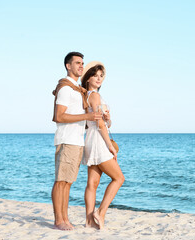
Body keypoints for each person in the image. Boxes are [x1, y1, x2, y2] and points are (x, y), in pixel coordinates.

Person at [51, 52, 102, 231]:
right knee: (61, 181)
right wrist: (87, 115)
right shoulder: (66, 88)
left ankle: (64, 217)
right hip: (67, 140)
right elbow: (59, 116)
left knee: (68, 182)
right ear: (68, 66)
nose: (81, 66)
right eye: (77, 63)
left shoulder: (76, 89)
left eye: (82, 63)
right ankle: (59, 220)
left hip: (77, 141)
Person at [81, 61, 125, 230]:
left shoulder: (89, 96)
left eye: (101, 76)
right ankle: (101, 212)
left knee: (92, 183)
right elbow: (99, 125)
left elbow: (104, 122)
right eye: (95, 75)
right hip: (99, 140)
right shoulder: (94, 95)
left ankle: (89, 221)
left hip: (91, 139)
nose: (99, 78)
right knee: (119, 178)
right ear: (88, 78)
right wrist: (110, 146)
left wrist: (108, 118)